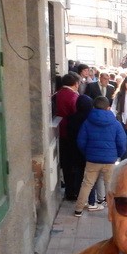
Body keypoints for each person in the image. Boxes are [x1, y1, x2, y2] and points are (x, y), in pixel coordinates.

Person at [74, 96, 127, 216]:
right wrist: (116, 155)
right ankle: (113, 212)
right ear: (108, 108)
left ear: (94, 107)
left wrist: (87, 153)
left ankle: (78, 209)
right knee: (110, 186)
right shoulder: (115, 123)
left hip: (92, 160)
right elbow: (122, 143)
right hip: (110, 160)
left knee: (87, 184)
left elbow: (81, 141)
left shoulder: (87, 122)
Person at [54, 72, 81, 200]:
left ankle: (68, 189)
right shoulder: (73, 96)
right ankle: (72, 191)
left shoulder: (57, 94)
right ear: (76, 83)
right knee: (72, 164)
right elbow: (76, 113)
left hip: (60, 131)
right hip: (71, 132)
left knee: (65, 162)